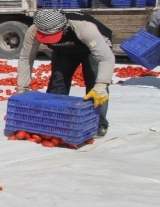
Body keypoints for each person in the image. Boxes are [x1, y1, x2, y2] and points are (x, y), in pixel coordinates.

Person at [17, 9, 115, 138]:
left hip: (92, 50)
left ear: (63, 27)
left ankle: (99, 123)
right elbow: (26, 57)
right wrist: (22, 87)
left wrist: (101, 84)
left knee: (94, 85)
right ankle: (53, 119)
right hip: (63, 51)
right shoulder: (34, 30)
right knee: (58, 82)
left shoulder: (84, 28)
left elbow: (106, 58)